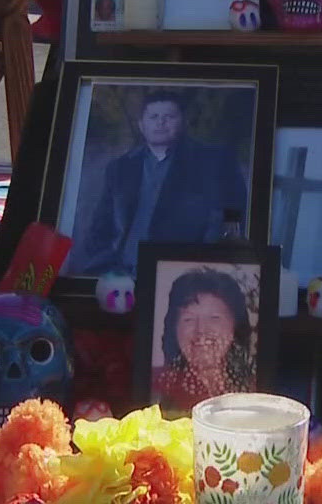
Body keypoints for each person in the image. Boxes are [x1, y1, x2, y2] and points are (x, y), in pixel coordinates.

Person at [73, 91, 249, 274]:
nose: (160, 122)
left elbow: (230, 221)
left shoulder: (213, 162)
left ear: (184, 122)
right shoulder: (120, 168)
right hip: (120, 272)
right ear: (141, 125)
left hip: (182, 273)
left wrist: (202, 267)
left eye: (169, 116)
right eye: (153, 116)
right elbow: (101, 225)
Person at [152, 268, 254, 412]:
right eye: (189, 319)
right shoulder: (154, 387)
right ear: (174, 328)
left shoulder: (256, 388)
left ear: (235, 326)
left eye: (214, 318)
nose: (201, 330)